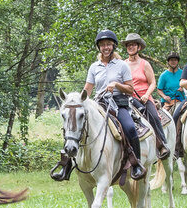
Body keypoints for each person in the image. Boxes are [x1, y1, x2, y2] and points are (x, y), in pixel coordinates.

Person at [50, 30, 146, 182]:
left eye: (108, 44)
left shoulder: (122, 65)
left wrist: (116, 85)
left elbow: (130, 89)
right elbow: (87, 89)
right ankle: (66, 165)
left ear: (113, 46)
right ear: (99, 47)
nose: (105, 47)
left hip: (118, 104)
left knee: (130, 128)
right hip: (98, 103)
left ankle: (136, 164)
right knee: (75, 125)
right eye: (102, 45)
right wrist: (75, 100)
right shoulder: (94, 67)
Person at [122, 33, 169, 159]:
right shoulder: (122, 64)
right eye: (128, 45)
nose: (130, 47)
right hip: (127, 98)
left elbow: (153, 82)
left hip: (143, 97)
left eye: (133, 44)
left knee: (154, 116)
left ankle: (162, 145)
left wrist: (147, 95)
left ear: (139, 47)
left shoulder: (145, 64)